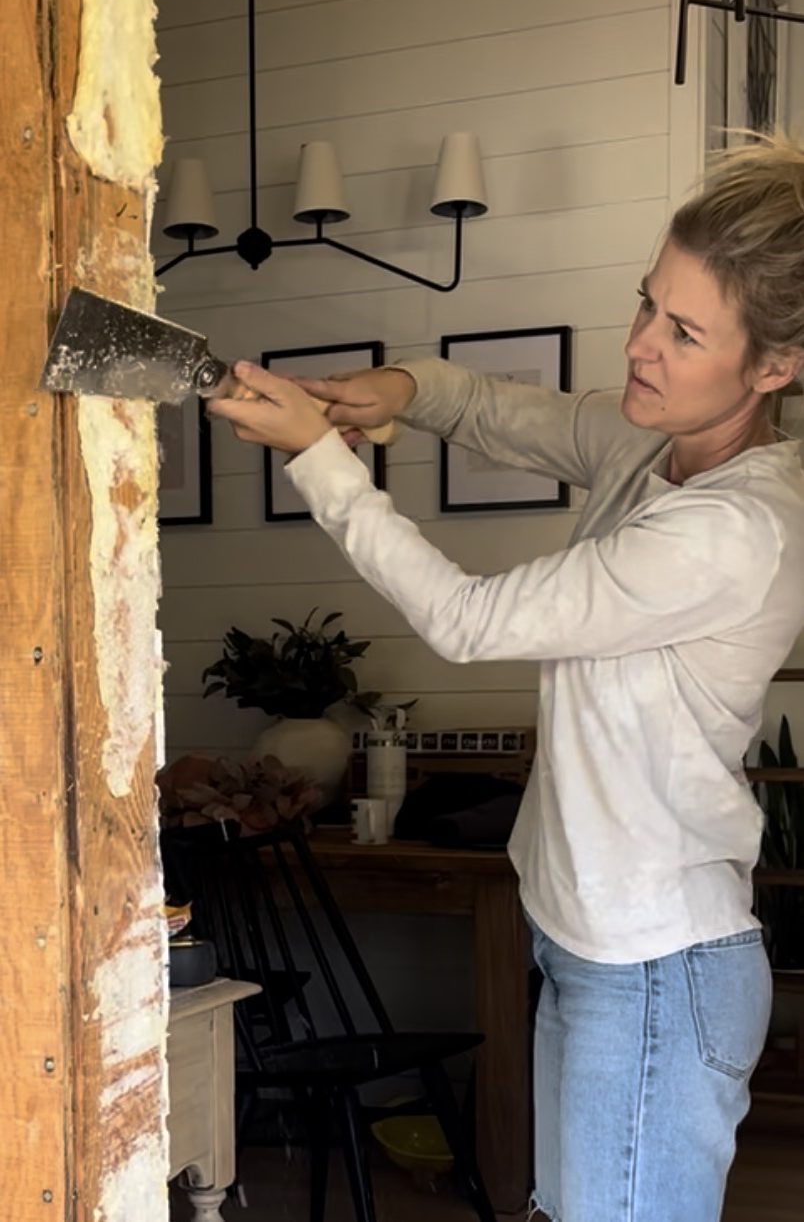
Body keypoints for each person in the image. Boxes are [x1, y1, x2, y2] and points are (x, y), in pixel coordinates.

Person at [207, 134, 804, 1222]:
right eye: (645, 305)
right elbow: (491, 408)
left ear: (774, 365)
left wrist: (317, 459)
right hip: (594, 947)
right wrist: (393, 389)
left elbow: (465, 618)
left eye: (683, 331)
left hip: (657, 968)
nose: (639, 347)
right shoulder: (649, 446)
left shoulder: (732, 529)